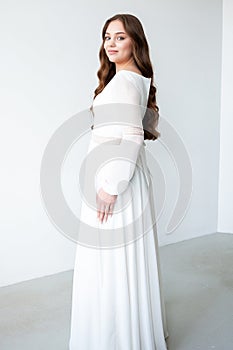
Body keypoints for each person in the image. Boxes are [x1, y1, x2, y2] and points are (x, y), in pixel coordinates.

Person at [69, 13, 169, 350]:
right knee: (118, 263)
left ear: (135, 42)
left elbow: (131, 136)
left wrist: (111, 186)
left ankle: (114, 338)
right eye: (107, 37)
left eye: (120, 37)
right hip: (123, 179)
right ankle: (127, 332)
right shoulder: (133, 79)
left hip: (117, 183)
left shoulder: (126, 82)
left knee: (109, 264)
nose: (111, 44)